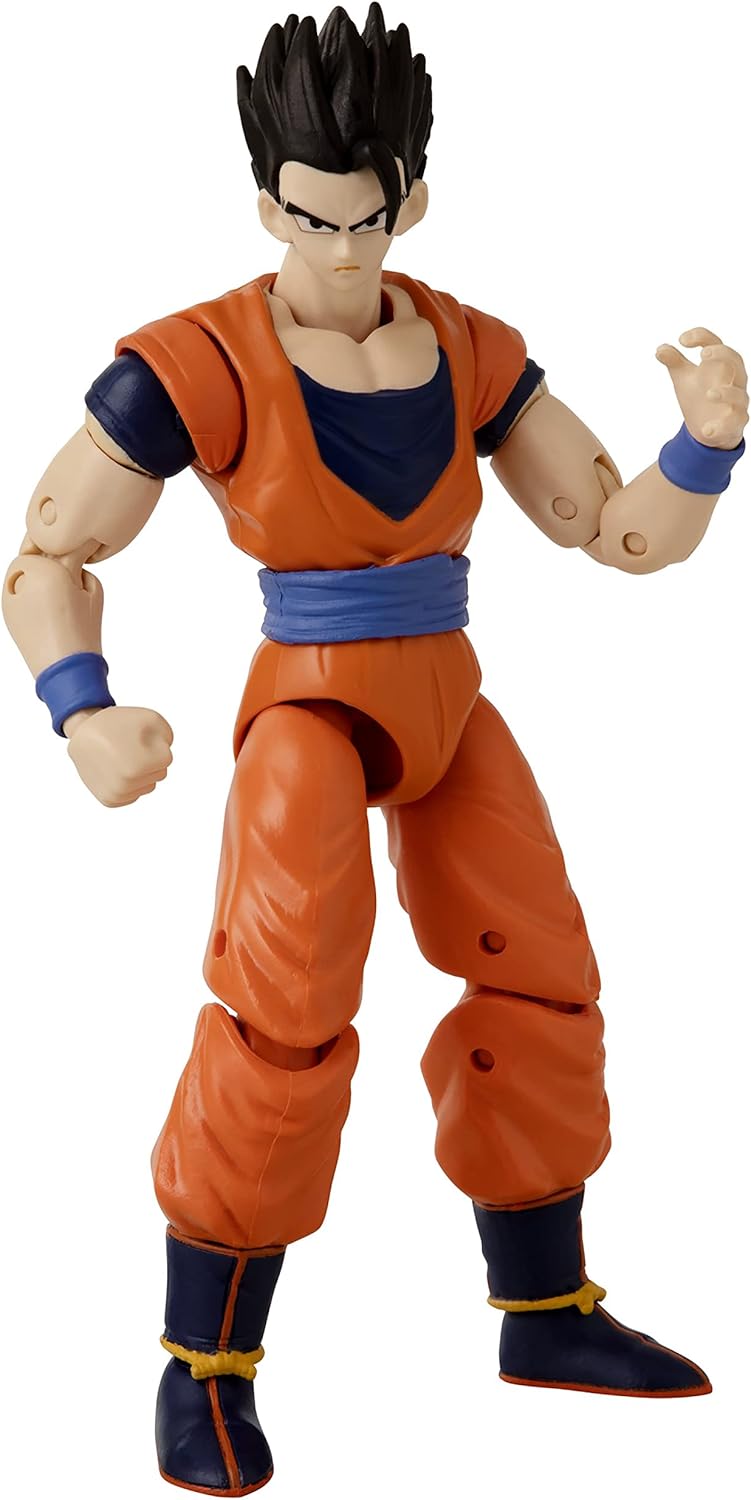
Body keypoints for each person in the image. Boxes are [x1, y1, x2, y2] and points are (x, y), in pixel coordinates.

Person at [4, 5, 748, 1495]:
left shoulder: (471, 348)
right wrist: (81, 709)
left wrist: (706, 446)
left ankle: (546, 1308)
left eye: (367, 219)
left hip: (449, 696)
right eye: (312, 219)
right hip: (309, 708)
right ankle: (206, 1363)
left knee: (540, 967)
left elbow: (616, 533)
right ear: (267, 205)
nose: (342, 253)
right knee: (284, 1006)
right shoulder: (193, 361)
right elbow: (50, 548)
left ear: (412, 198)